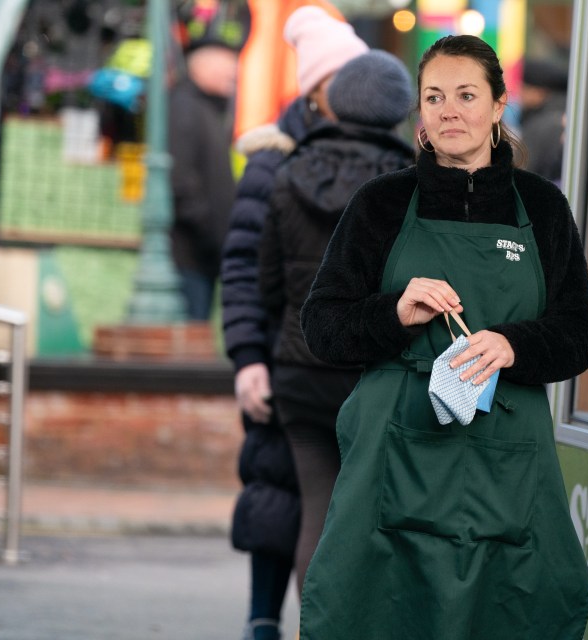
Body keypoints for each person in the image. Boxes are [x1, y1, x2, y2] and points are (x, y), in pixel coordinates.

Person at [298, 35, 588, 640]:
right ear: (419, 112)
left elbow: (582, 333)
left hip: (505, 462)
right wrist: (395, 313)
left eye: (466, 95)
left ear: (497, 107)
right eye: (434, 97)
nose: (449, 110)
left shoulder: (541, 208)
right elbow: (322, 327)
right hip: (391, 463)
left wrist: (514, 345)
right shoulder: (380, 204)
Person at [219, 7, 368, 640]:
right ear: (316, 89)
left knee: (310, 500)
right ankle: (261, 621)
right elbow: (244, 270)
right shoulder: (273, 160)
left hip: (328, 363)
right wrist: (248, 360)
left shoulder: (368, 153)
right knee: (276, 491)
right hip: (284, 361)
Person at [258, 49, 415, 597]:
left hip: (299, 372)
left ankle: (313, 630)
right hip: (372, 375)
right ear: (401, 109)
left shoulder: (288, 171)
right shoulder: (407, 188)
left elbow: (269, 287)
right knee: (376, 519)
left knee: (315, 512)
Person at [168, 33, 241, 320]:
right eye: (227, 63)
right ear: (199, 66)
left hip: (203, 257)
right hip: (191, 257)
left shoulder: (207, 109)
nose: (234, 72)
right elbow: (181, 182)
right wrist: (214, 237)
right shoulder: (185, 108)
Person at [519, 56, 569, 185]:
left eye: (524, 88)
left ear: (538, 92)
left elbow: (523, 173)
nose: (520, 94)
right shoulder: (565, 116)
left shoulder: (539, 125)